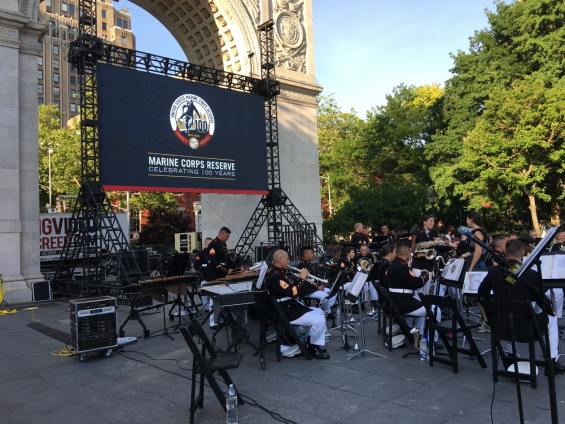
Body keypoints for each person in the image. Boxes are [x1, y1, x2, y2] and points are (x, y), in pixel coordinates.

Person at [477, 239, 565, 375]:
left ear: (505, 251)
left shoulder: (494, 272)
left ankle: (512, 356)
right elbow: (540, 298)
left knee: (508, 315)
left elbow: (481, 295)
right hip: (526, 328)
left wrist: (492, 313)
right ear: (523, 252)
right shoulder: (530, 274)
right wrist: (549, 309)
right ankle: (551, 361)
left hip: (500, 326)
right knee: (552, 319)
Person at [264, 249, 330, 359]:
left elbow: (290, 290)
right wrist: (301, 279)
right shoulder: (276, 276)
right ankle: (313, 347)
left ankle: (312, 343)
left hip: (290, 306)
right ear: (280, 260)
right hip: (287, 311)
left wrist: (300, 280)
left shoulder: (280, 273)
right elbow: (293, 293)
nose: (289, 261)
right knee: (320, 320)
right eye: (287, 259)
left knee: (319, 312)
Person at [386, 243, 430, 341]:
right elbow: (417, 283)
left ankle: (418, 334)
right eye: (410, 252)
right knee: (435, 311)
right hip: (402, 303)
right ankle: (429, 341)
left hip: (397, 300)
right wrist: (425, 274)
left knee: (421, 309)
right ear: (407, 253)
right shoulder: (402, 267)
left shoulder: (394, 264)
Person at [202, 227, 237, 327]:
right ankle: (213, 322)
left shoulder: (223, 244)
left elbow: (227, 260)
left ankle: (221, 319)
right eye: (227, 236)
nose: (228, 238)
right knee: (214, 299)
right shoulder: (213, 245)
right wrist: (226, 270)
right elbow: (213, 261)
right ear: (221, 234)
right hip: (213, 275)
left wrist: (237, 268)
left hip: (220, 275)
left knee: (220, 298)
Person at [297, 246, 337, 314]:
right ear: (305, 255)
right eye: (311, 253)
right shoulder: (302, 265)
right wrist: (317, 287)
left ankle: (326, 308)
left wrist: (321, 284)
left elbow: (314, 278)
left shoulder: (309, 264)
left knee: (333, 292)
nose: (313, 254)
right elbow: (306, 281)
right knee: (325, 296)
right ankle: (328, 312)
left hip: (313, 288)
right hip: (307, 290)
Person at [194, 237, 213, 311]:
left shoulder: (213, 253)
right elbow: (196, 266)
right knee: (203, 289)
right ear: (206, 243)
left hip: (212, 275)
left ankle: (213, 305)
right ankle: (206, 306)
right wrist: (201, 274)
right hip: (204, 275)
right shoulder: (201, 253)